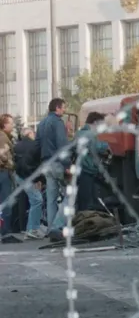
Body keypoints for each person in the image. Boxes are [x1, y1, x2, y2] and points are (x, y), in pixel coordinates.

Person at [36, 98, 69, 235]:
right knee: (70, 195)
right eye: (63, 107)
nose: (64, 110)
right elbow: (62, 144)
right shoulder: (57, 122)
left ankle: (51, 228)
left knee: (51, 198)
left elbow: (37, 144)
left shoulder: (42, 123)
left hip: (45, 164)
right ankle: (57, 225)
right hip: (57, 163)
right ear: (57, 108)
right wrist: (67, 164)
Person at [73, 112, 112, 214]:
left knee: (83, 201)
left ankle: (83, 222)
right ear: (95, 122)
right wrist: (107, 146)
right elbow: (95, 147)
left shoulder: (79, 133)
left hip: (80, 170)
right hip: (87, 170)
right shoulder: (89, 134)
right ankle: (85, 224)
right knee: (87, 203)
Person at [13, 126, 46, 237]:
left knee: (30, 200)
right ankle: (32, 229)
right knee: (37, 200)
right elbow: (35, 165)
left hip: (19, 176)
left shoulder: (17, 146)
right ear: (30, 134)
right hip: (29, 176)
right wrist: (38, 179)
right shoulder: (34, 146)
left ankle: (29, 227)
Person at [0, 114, 17, 238]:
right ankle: (5, 231)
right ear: (4, 124)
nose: (13, 125)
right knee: (6, 201)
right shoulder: (2, 137)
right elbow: (2, 155)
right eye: (10, 123)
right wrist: (7, 160)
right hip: (3, 172)